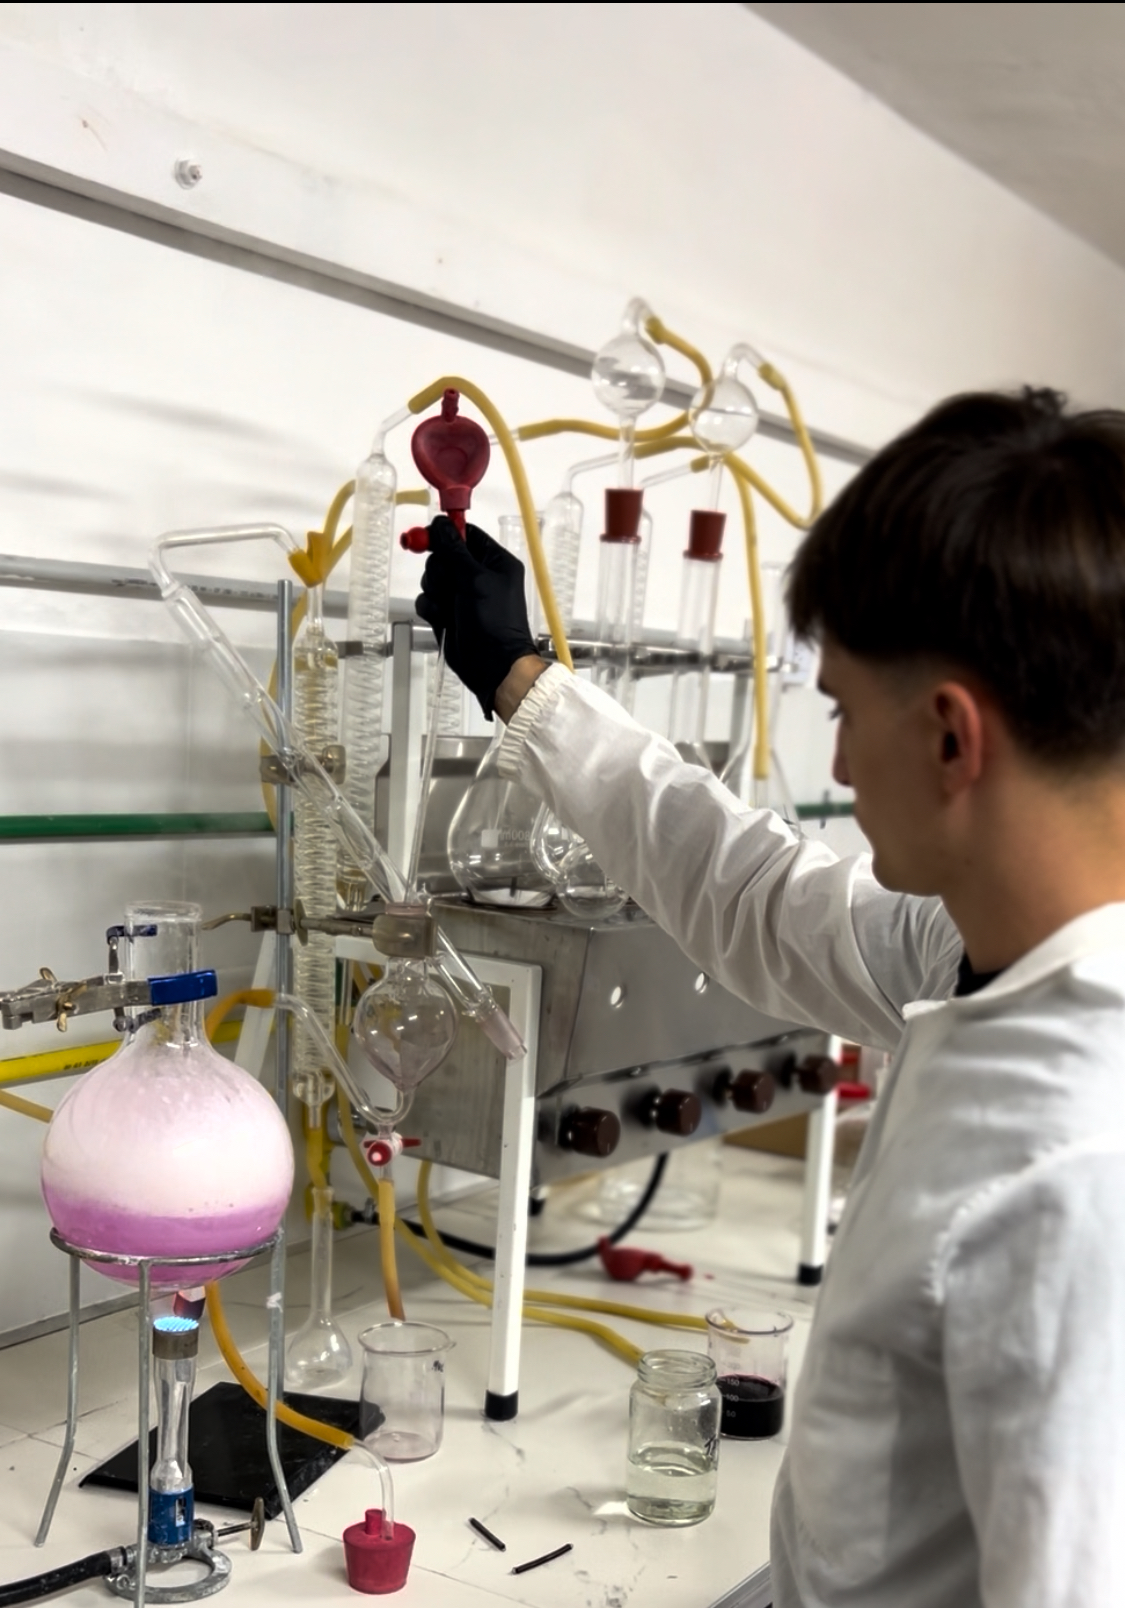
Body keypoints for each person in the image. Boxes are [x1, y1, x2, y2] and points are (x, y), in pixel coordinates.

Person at [416, 388, 1125, 1608]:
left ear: (952, 738)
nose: (834, 763)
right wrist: (519, 678)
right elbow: (762, 894)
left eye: (842, 710)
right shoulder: (987, 944)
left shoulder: (1069, 1170)